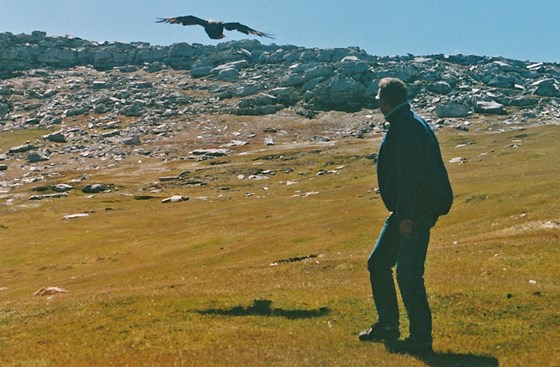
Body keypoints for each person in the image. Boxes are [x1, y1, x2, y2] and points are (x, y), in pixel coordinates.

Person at [359, 77, 453, 354]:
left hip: (412, 212)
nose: (378, 105)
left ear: (385, 101)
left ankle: (420, 338)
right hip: (405, 210)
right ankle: (389, 325)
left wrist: (407, 217)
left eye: (378, 100)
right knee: (379, 263)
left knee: (409, 275)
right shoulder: (408, 122)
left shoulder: (406, 128)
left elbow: (411, 177)